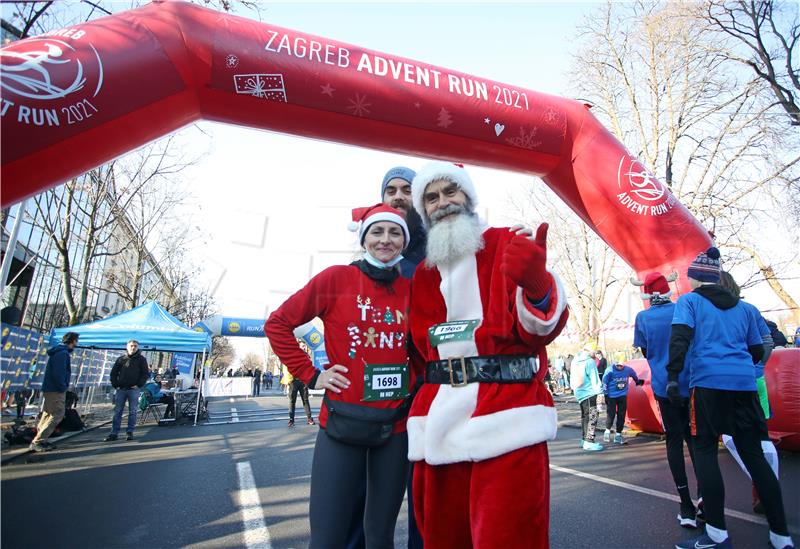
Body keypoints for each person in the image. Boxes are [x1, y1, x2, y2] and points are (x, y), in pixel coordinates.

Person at [405, 162, 568, 548]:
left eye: (451, 191)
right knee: (444, 539)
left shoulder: (503, 243)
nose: (443, 203)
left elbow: (539, 329)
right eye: (431, 197)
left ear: (469, 197)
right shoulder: (424, 275)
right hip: (440, 420)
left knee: (508, 537)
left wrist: (539, 287)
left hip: (506, 414)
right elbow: (419, 353)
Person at [265, 203, 415, 549]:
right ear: (363, 238)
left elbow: (420, 348)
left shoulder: (411, 288)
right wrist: (310, 374)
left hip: (394, 428)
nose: (386, 240)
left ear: (404, 242)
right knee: (328, 536)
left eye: (395, 233)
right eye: (377, 231)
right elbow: (278, 324)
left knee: (380, 538)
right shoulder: (337, 278)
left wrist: (413, 384)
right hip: (340, 424)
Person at [668, 248, 793, 549]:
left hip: (708, 385)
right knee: (755, 456)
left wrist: (673, 377)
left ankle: (717, 534)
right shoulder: (746, 309)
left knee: (705, 453)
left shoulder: (690, 302)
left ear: (697, 279)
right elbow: (762, 346)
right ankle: (780, 536)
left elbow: (680, 339)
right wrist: (748, 369)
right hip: (744, 386)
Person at [632, 271, 700, 528]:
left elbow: (647, 351)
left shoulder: (643, 318)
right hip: (692, 382)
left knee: (674, 440)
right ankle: (705, 496)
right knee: (697, 439)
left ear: (647, 294)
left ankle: (686, 506)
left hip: (664, 385)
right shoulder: (684, 310)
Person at [718, 270, 778, 515]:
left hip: (731, 384)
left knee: (734, 437)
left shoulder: (717, 314)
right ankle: (765, 493)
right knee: (758, 437)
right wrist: (757, 368)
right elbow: (767, 343)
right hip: (755, 381)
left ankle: (764, 488)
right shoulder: (750, 309)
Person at [29, 332, 79, 452]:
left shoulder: (60, 352)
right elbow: (59, 373)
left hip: (52, 388)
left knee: (48, 413)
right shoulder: (62, 354)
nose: (77, 343)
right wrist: (62, 387)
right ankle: (38, 441)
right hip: (56, 389)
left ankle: (40, 439)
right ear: (72, 341)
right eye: (76, 340)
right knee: (58, 414)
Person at [105, 339, 149, 442]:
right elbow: (113, 373)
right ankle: (114, 433)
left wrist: (138, 385)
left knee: (133, 411)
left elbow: (145, 374)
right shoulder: (121, 359)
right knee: (118, 411)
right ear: (127, 347)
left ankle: (130, 432)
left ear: (137, 348)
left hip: (133, 389)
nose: (133, 348)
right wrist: (116, 385)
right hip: (121, 389)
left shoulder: (141, 359)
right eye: (131, 346)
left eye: (135, 346)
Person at [601, 362, 644, 444]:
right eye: (618, 366)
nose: (620, 367)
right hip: (611, 396)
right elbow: (604, 382)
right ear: (615, 364)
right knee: (611, 414)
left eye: (621, 366)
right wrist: (606, 394)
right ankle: (607, 431)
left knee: (621, 414)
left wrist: (637, 381)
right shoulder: (610, 370)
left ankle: (618, 434)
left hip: (622, 395)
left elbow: (634, 375)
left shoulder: (628, 369)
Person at [571, 348, 604, 452]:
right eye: (594, 351)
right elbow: (594, 378)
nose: (596, 353)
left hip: (579, 392)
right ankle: (589, 441)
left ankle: (584, 439)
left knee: (585, 417)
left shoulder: (575, 361)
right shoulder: (589, 361)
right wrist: (600, 393)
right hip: (589, 392)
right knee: (592, 417)